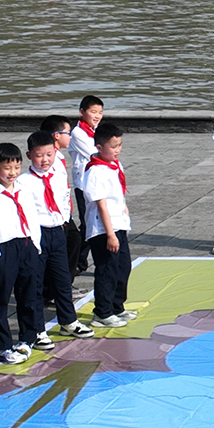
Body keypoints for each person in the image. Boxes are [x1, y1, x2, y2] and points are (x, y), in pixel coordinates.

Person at [23, 130, 91, 345]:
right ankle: (37, 330)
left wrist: (63, 220)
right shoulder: (24, 182)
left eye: (49, 154)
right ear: (29, 156)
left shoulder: (58, 173)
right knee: (36, 283)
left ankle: (68, 321)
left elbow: (63, 198)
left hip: (57, 231)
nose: (45, 160)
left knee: (63, 279)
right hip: (37, 234)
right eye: (39, 155)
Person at [0, 142, 42, 362]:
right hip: (4, 249)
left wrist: (35, 244)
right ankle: (1, 346)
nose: (12, 173)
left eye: (16, 167)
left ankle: (28, 337)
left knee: (28, 295)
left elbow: (32, 218)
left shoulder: (24, 190)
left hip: (26, 245)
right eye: (7, 168)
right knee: (0, 299)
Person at [83, 122, 134, 329]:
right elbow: (101, 205)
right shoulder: (95, 171)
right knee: (107, 269)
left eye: (119, 145)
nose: (117, 150)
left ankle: (117, 305)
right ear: (99, 146)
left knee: (123, 266)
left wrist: (124, 209)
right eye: (113, 146)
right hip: (104, 229)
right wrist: (110, 234)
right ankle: (102, 312)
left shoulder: (115, 165)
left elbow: (117, 194)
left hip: (119, 224)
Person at [67, 97, 104, 275]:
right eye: (93, 112)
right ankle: (76, 261)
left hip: (97, 183)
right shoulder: (78, 133)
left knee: (90, 223)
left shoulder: (95, 130)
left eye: (100, 112)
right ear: (82, 112)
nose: (97, 116)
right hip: (83, 185)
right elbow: (96, 155)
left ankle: (78, 261)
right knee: (88, 224)